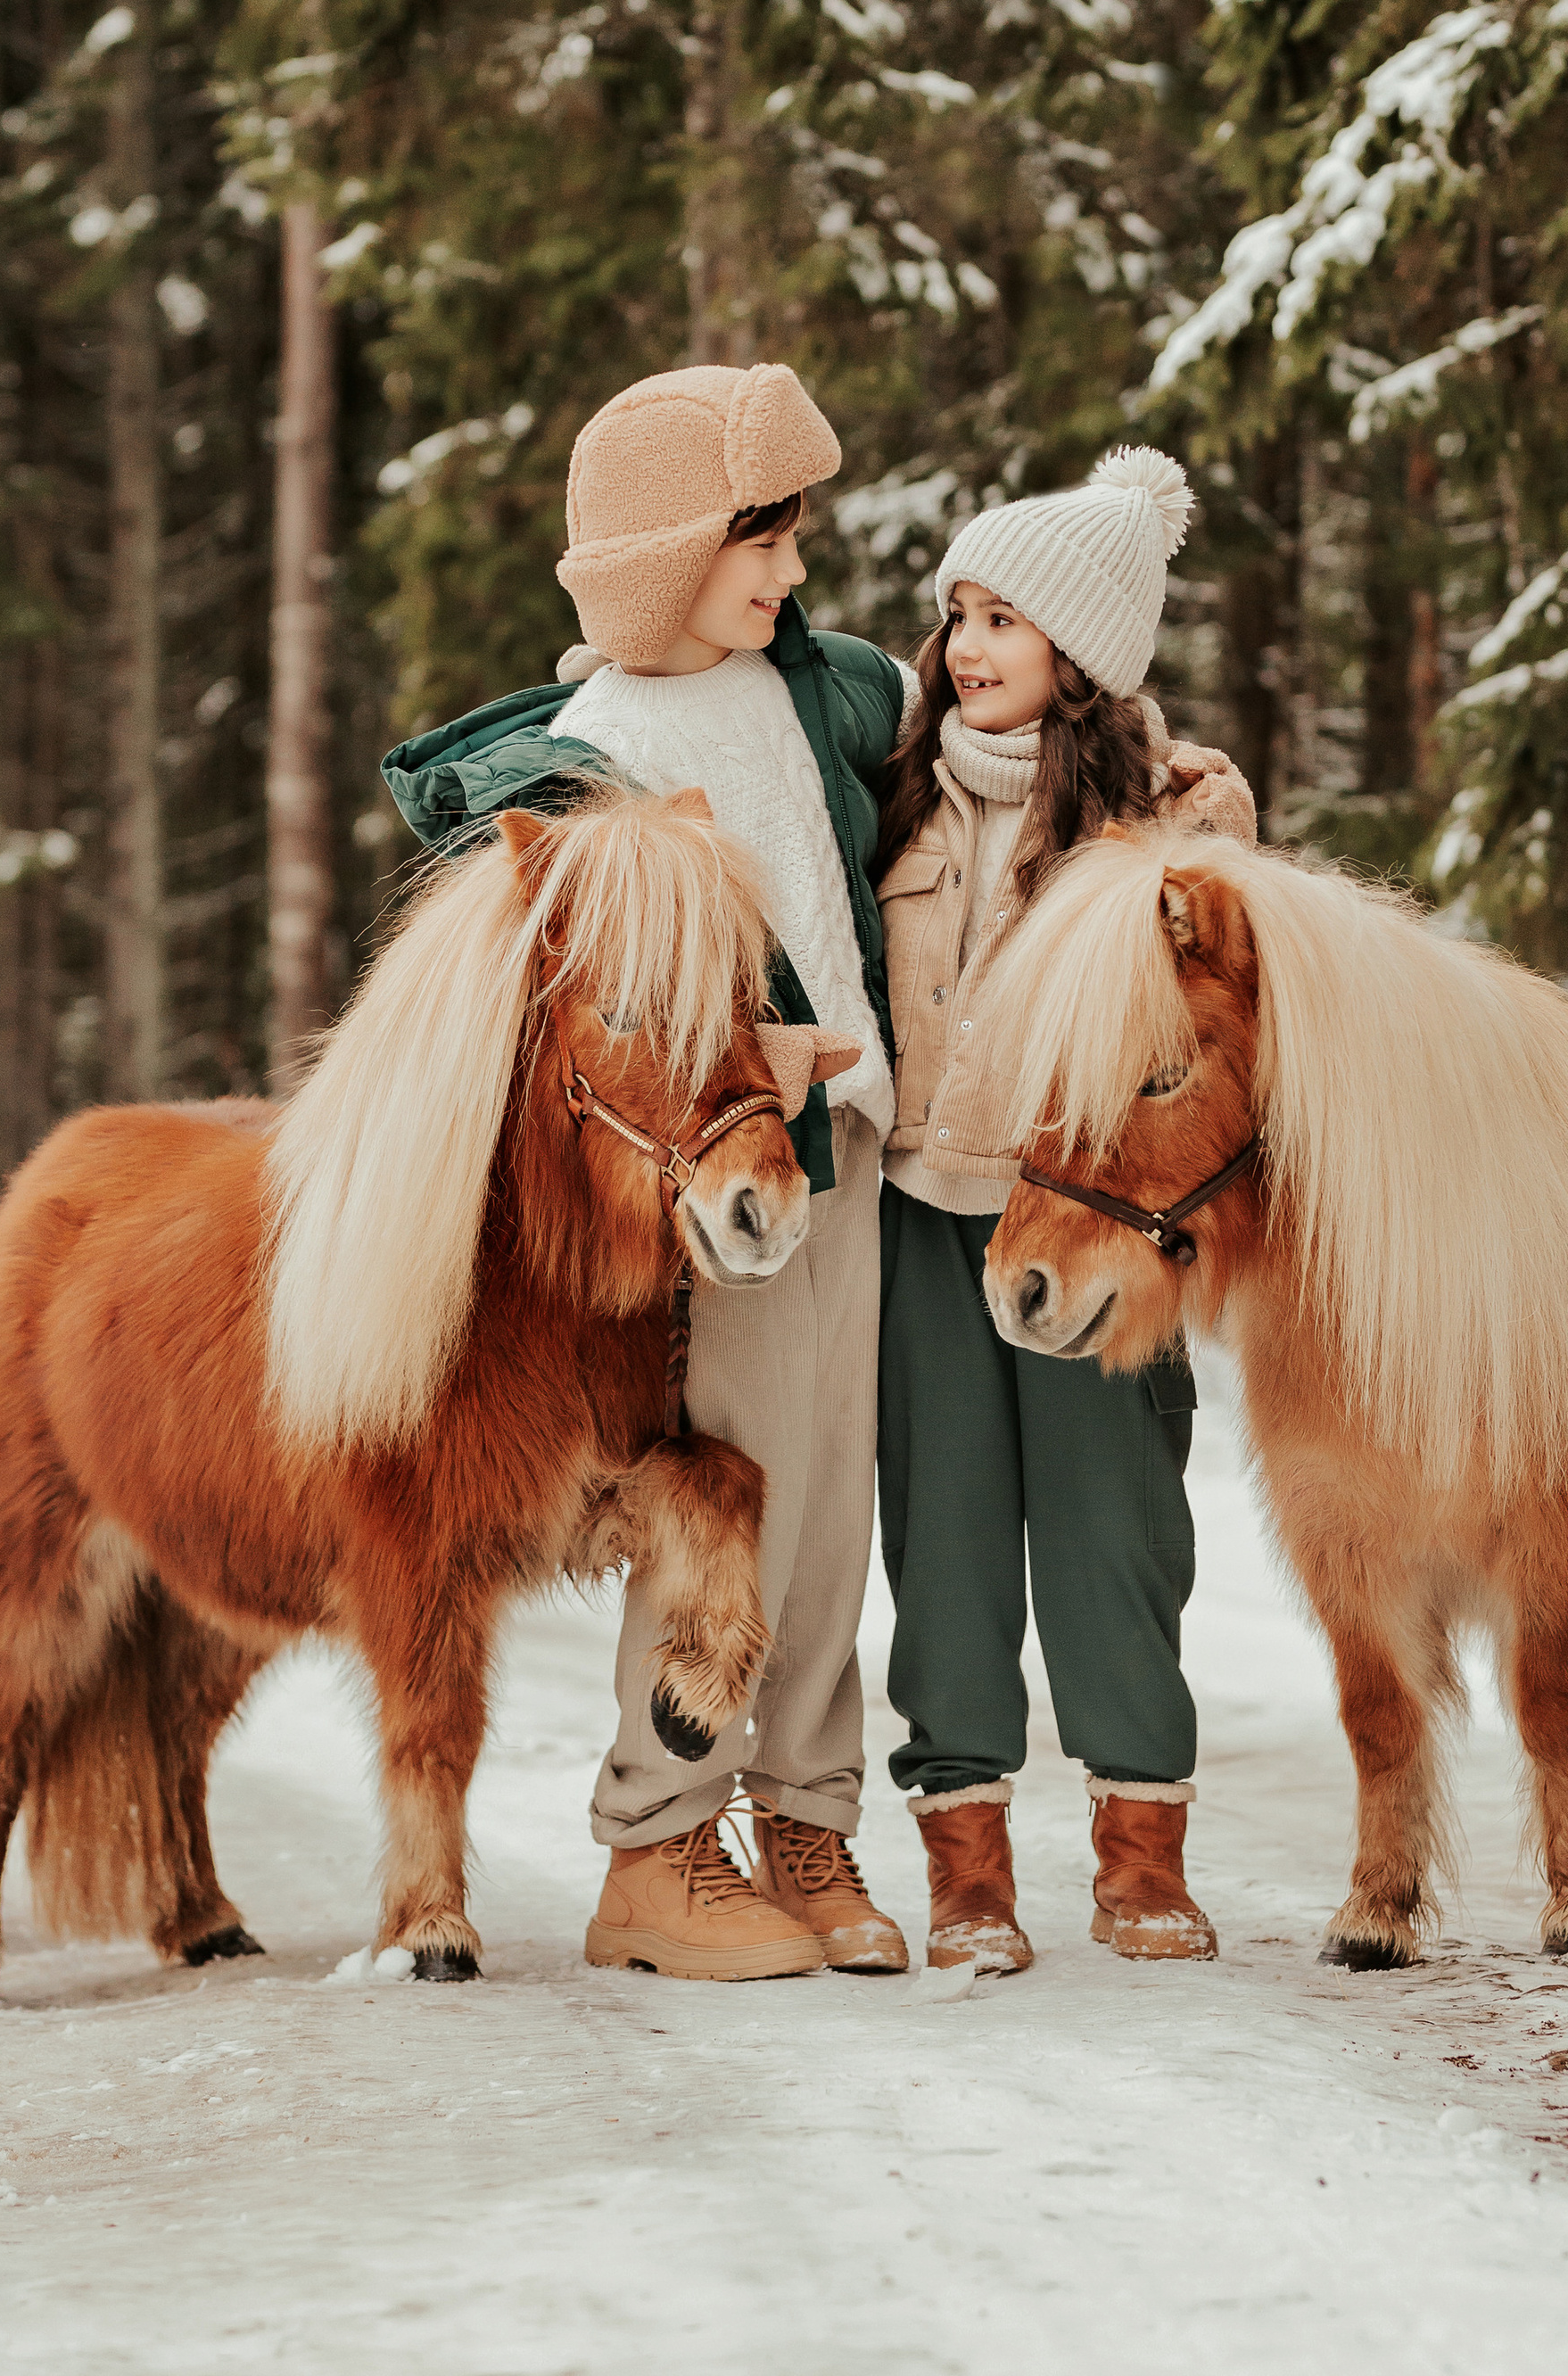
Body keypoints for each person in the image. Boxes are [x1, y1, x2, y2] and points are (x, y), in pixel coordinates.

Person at [382, 362, 909, 1982]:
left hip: (852, 1150)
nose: (792, 569)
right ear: (667, 551)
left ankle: (807, 1819)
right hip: (719, 1185)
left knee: (830, 1513)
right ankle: (659, 1844)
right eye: (761, 539)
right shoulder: (602, 746)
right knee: (729, 1509)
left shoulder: (805, 686)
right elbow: (603, 1005)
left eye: (794, 537)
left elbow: (984, 743)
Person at [871, 446, 1256, 1971]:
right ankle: (967, 1878)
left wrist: (1220, 833)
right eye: (959, 614)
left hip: (1099, 1222)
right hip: (925, 1209)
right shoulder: (893, 790)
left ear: (1078, 659)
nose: (968, 648)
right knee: (946, 1545)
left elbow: (1228, 1009)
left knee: (1116, 1537)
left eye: (1006, 622)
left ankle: (1140, 1863)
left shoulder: (1158, 832)